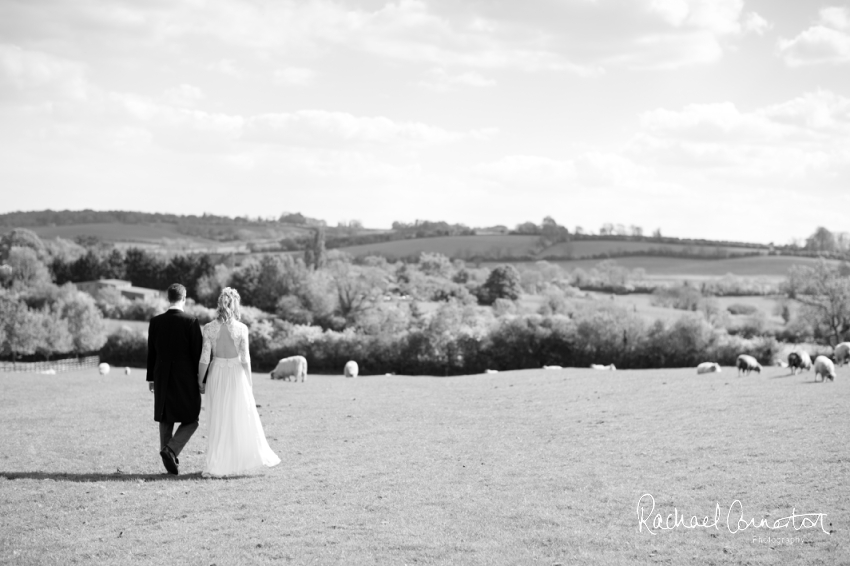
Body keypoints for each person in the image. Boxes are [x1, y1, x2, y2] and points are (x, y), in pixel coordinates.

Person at [198, 287, 280, 477]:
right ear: (236, 305)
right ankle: (235, 462)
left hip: (217, 373)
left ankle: (218, 464)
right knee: (236, 418)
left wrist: (199, 380)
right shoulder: (242, 329)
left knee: (218, 419)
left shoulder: (209, 328)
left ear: (220, 304)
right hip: (236, 375)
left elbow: (204, 358)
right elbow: (246, 360)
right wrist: (249, 385)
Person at [146, 283, 203, 475]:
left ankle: (167, 454)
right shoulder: (191, 321)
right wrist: (201, 379)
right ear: (184, 297)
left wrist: (151, 379)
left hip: (161, 376)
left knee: (165, 417)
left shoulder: (155, 322)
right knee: (192, 419)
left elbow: (151, 354)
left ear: (167, 298)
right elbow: (198, 354)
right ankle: (170, 450)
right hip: (185, 379)